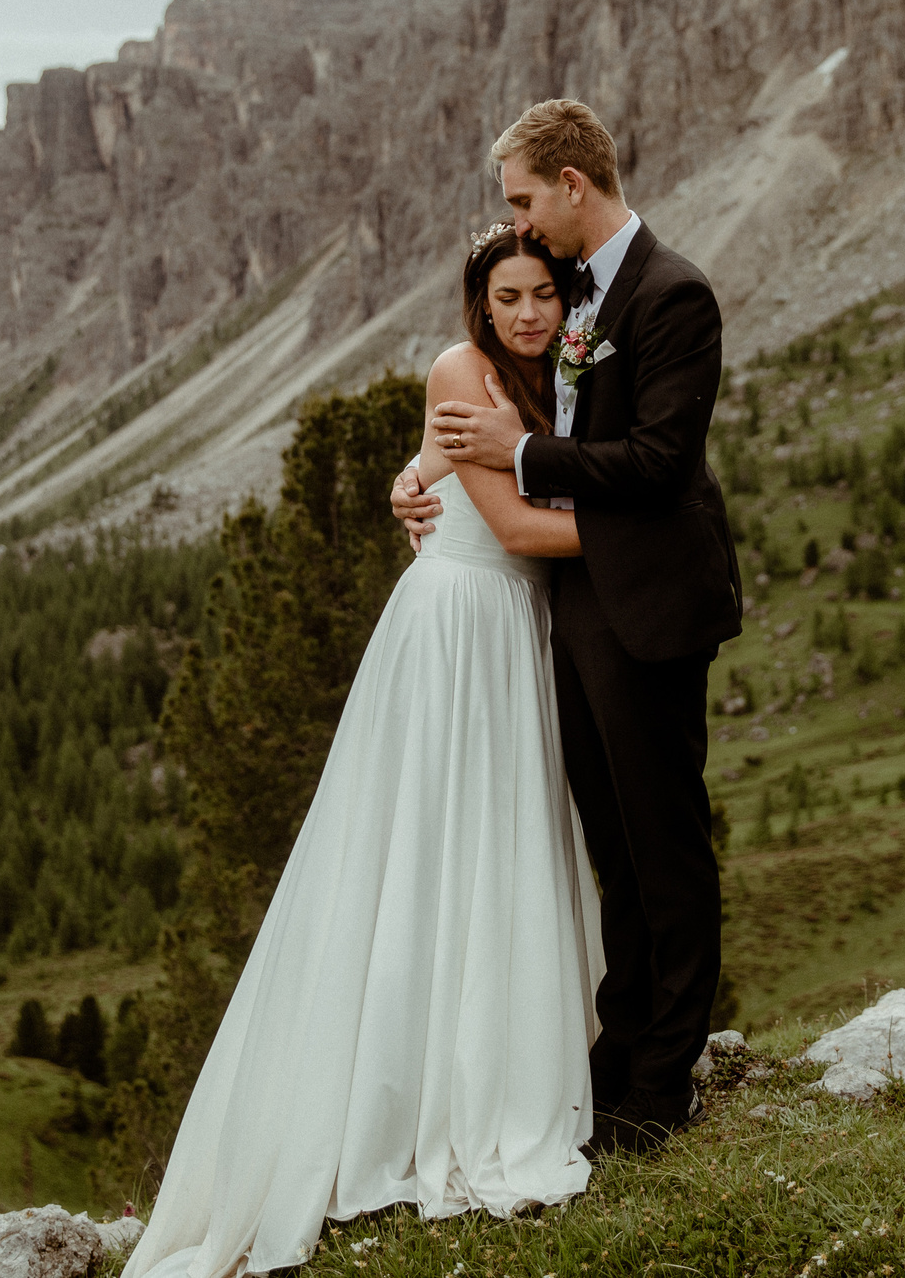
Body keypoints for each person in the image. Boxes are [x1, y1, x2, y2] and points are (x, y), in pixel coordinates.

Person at [127, 224, 603, 1278]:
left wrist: (410, 476)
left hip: (510, 630)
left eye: (543, 297)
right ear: (479, 307)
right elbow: (516, 526)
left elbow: (443, 471)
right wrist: (656, 519)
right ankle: (412, 1094)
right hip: (461, 629)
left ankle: (491, 1059)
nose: (527, 315)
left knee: (496, 850)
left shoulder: (559, 366)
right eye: (507, 298)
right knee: (427, 850)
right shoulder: (461, 364)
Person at [396, 97, 743, 1155]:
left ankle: (665, 1078)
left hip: (648, 612)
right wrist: (416, 478)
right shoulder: (575, 300)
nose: (519, 220)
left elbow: (657, 466)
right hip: (580, 610)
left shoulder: (675, 294)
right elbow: (479, 423)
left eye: (523, 199)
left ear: (573, 186)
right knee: (614, 852)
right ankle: (622, 1054)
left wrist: (518, 457)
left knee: (665, 847)